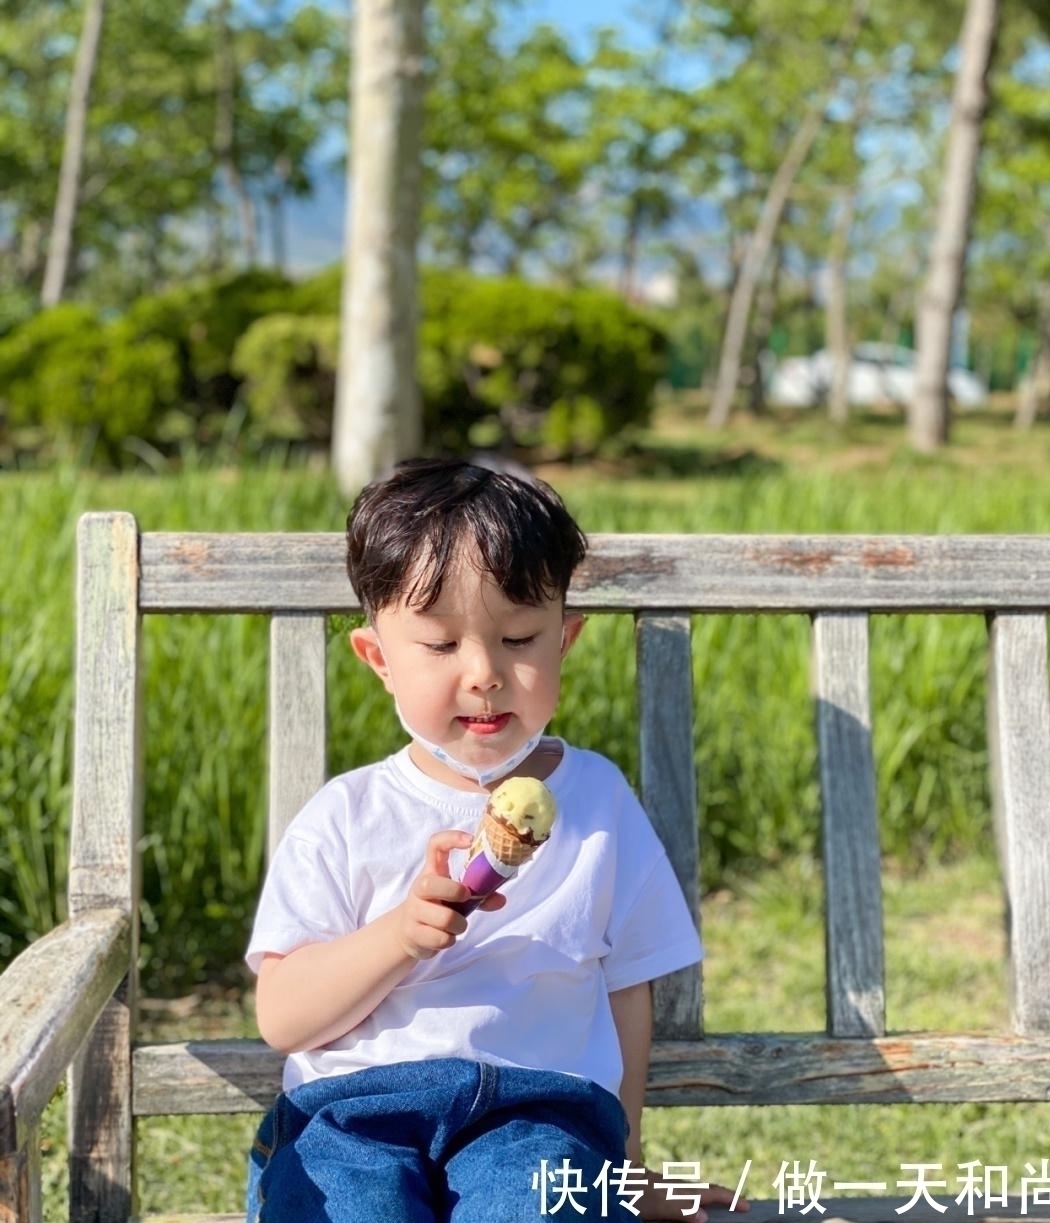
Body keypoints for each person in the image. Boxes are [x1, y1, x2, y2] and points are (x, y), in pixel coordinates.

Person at [245, 458, 747, 1222]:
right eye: (440, 646)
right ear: (378, 658)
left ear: (564, 641)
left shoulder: (599, 803)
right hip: (353, 1115)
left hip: (538, 1114)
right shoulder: (347, 815)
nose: (484, 673)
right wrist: (397, 937)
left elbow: (628, 986)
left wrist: (627, 1165)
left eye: (518, 636)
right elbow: (283, 1016)